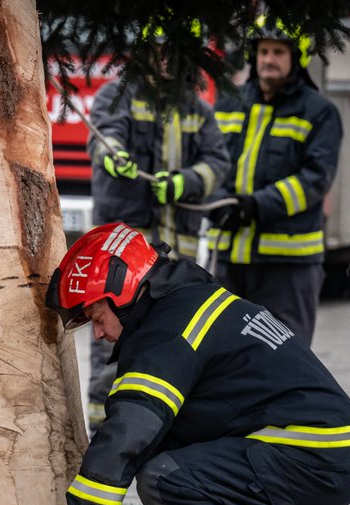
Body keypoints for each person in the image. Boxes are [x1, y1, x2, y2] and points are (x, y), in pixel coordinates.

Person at [46, 222, 350, 505]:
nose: (100, 333)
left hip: (312, 454)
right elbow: (190, 431)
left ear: (124, 294)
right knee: (174, 479)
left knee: (165, 479)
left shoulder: (168, 330)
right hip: (316, 448)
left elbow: (129, 431)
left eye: (97, 317)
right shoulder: (189, 304)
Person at [84, 29, 231, 430]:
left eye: (174, 51)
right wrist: (113, 156)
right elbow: (104, 137)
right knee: (110, 331)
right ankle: (105, 431)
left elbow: (217, 163)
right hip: (126, 253)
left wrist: (187, 181)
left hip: (174, 256)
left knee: (171, 336)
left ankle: (162, 423)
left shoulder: (197, 109)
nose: (165, 60)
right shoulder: (118, 95)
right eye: (158, 50)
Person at [206, 16, 341, 347]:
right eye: (264, 51)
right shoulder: (228, 103)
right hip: (229, 259)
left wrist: (255, 206)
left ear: (295, 58)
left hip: (288, 265)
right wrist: (216, 201)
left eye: (278, 52)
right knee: (223, 355)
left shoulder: (319, 111)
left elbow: (314, 181)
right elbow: (210, 161)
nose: (269, 59)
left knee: (285, 354)